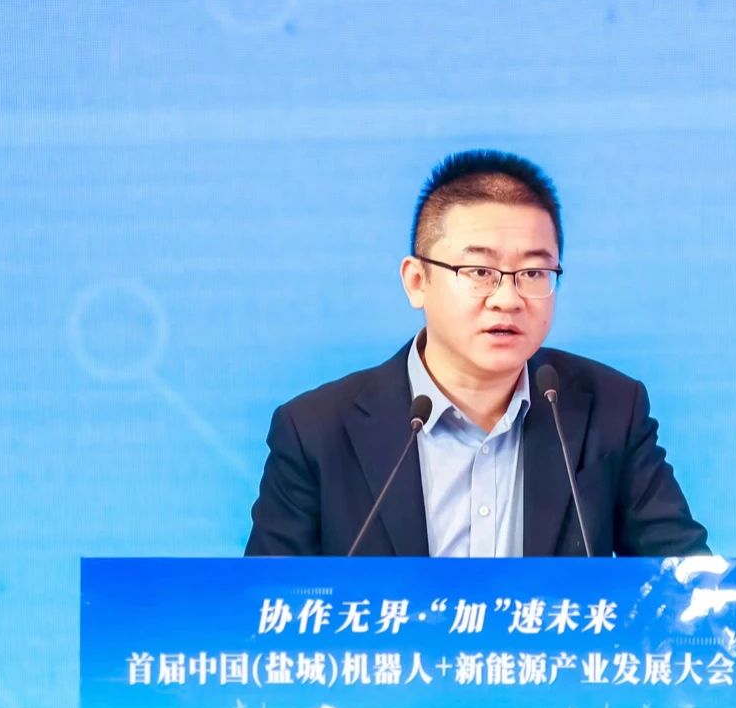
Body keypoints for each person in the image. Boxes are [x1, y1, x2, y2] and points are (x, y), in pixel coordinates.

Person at [245, 149, 708, 558]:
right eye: (480, 271)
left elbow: (689, 586)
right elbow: (263, 610)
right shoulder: (316, 432)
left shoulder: (610, 411)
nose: (508, 298)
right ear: (417, 281)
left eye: (533, 272)